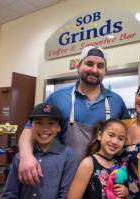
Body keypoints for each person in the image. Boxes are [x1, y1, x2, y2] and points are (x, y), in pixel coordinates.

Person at [18, 46, 130, 186]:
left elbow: (127, 137)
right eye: (89, 64)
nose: (94, 70)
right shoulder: (57, 98)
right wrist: (26, 156)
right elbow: (31, 128)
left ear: (105, 71)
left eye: (100, 66)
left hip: (103, 181)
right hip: (63, 177)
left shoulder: (116, 101)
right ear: (78, 66)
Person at [3, 103, 78, 199]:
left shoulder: (68, 156)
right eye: (39, 123)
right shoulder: (20, 157)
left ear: (59, 128)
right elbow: (10, 193)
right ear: (31, 126)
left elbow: (65, 195)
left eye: (51, 123)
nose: (45, 129)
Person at [68, 118, 129, 199]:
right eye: (111, 135)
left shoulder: (118, 165)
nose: (115, 141)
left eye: (120, 139)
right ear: (99, 135)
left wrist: (125, 192)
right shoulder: (88, 164)